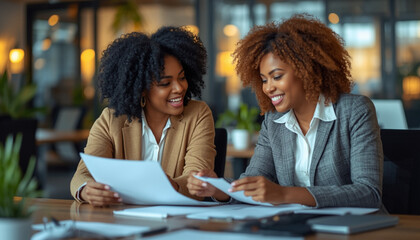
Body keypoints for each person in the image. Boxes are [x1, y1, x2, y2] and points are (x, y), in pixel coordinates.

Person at [187, 14, 383, 208]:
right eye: (264, 80)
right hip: (298, 229)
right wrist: (217, 188)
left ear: (307, 70)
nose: (268, 88)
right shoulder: (274, 121)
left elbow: (368, 192)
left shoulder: (354, 111)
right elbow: (253, 181)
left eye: (277, 76)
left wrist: (283, 194)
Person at [70, 26, 216, 207]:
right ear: (142, 88)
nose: (179, 88)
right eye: (165, 83)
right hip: (122, 222)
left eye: (182, 77)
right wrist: (86, 189)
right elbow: (82, 175)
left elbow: (197, 179)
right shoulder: (111, 120)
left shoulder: (198, 114)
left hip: (177, 222)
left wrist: (175, 186)